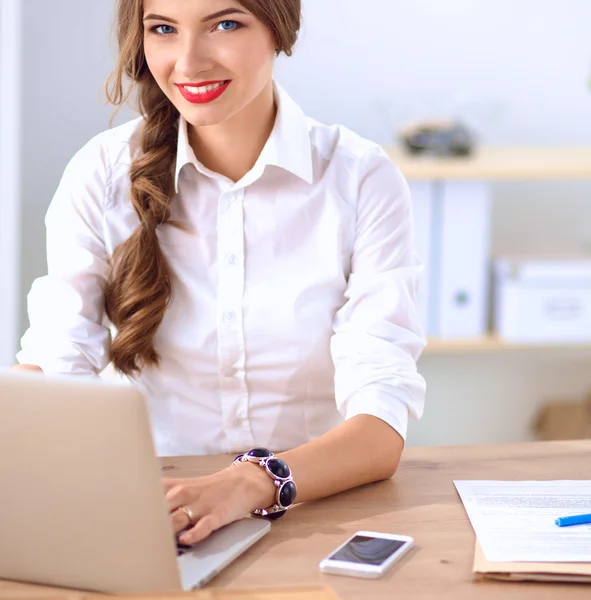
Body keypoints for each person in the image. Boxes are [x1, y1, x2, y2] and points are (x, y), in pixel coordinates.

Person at [14, 0, 426, 546]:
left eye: (224, 24)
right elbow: (58, 364)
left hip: (315, 515)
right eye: (163, 29)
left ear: (280, 28)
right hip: (153, 516)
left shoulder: (359, 179)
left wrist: (248, 483)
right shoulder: (101, 174)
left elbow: (379, 428)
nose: (188, 62)